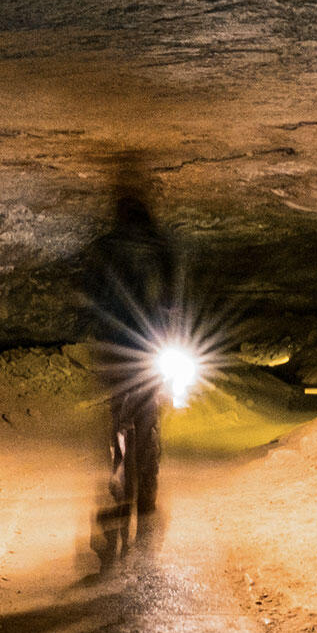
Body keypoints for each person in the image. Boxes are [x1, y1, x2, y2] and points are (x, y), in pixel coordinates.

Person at [83, 183, 181, 565]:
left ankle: (118, 490)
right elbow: (173, 303)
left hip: (116, 353)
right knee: (147, 422)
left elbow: (91, 298)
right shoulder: (159, 250)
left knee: (120, 423)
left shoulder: (105, 248)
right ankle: (142, 499)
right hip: (149, 351)